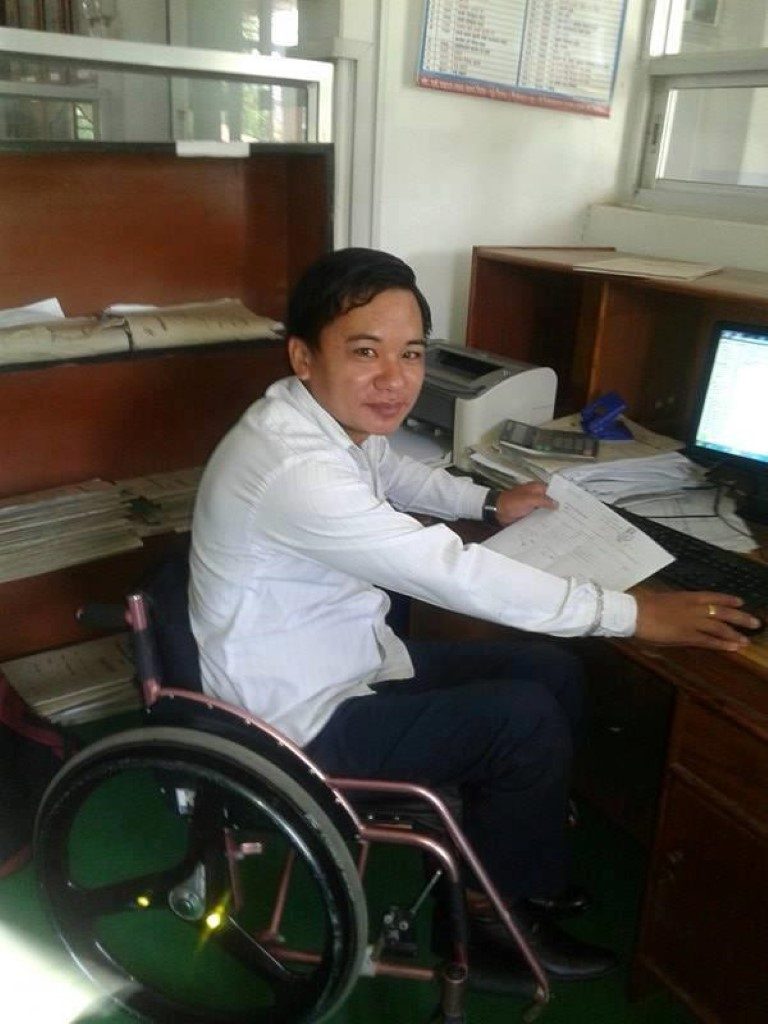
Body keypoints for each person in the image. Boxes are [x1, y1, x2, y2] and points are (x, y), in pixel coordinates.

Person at [189, 248, 758, 984]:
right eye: (365, 352)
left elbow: (390, 467)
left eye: (411, 353)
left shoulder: (315, 417)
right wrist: (628, 613)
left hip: (343, 655)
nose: (394, 378)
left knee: (548, 667)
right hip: (298, 716)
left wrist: (486, 501)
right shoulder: (295, 468)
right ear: (303, 355)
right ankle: (491, 924)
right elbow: (448, 572)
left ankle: (512, 861)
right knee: (522, 716)